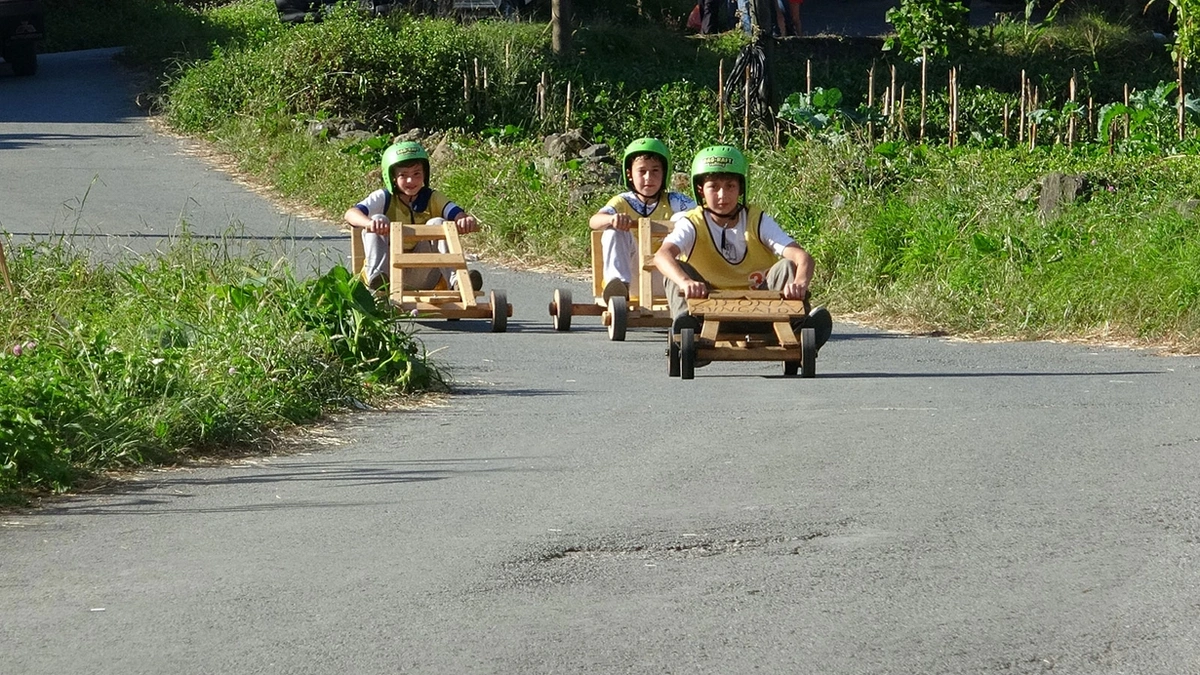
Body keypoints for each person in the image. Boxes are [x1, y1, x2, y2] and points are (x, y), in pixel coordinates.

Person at [654, 144, 832, 349]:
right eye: (714, 187)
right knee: (674, 271)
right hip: (708, 310)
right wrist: (686, 282)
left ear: (740, 188)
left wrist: (799, 283)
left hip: (762, 310)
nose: (723, 195)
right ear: (701, 190)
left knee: (786, 266)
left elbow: (802, 257)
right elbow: (662, 256)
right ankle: (688, 332)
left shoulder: (756, 219)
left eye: (730, 186)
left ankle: (799, 327)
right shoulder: (693, 222)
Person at [344, 140, 481, 292]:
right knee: (378, 220)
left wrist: (464, 220)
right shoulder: (384, 197)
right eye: (403, 175)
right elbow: (350, 214)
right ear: (392, 177)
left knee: (438, 223)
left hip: (423, 273)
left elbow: (455, 213)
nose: (411, 180)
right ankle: (377, 278)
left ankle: (458, 282)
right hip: (389, 272)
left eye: (417, 174)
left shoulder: (432, 197)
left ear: (425, 174)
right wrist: (369, 223)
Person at [589, 138, 696, 301]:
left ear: (664, 174)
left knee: (685, 219)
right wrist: (613, 219)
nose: (648, 178)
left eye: (655, 171)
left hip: (671, 277)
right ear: (629, 174)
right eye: (642, 171)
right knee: (613, 229)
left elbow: (703, 216)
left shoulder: (675, 201)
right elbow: (594, 221)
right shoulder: (623, 201)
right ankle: (617, 286)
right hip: (633, 276)